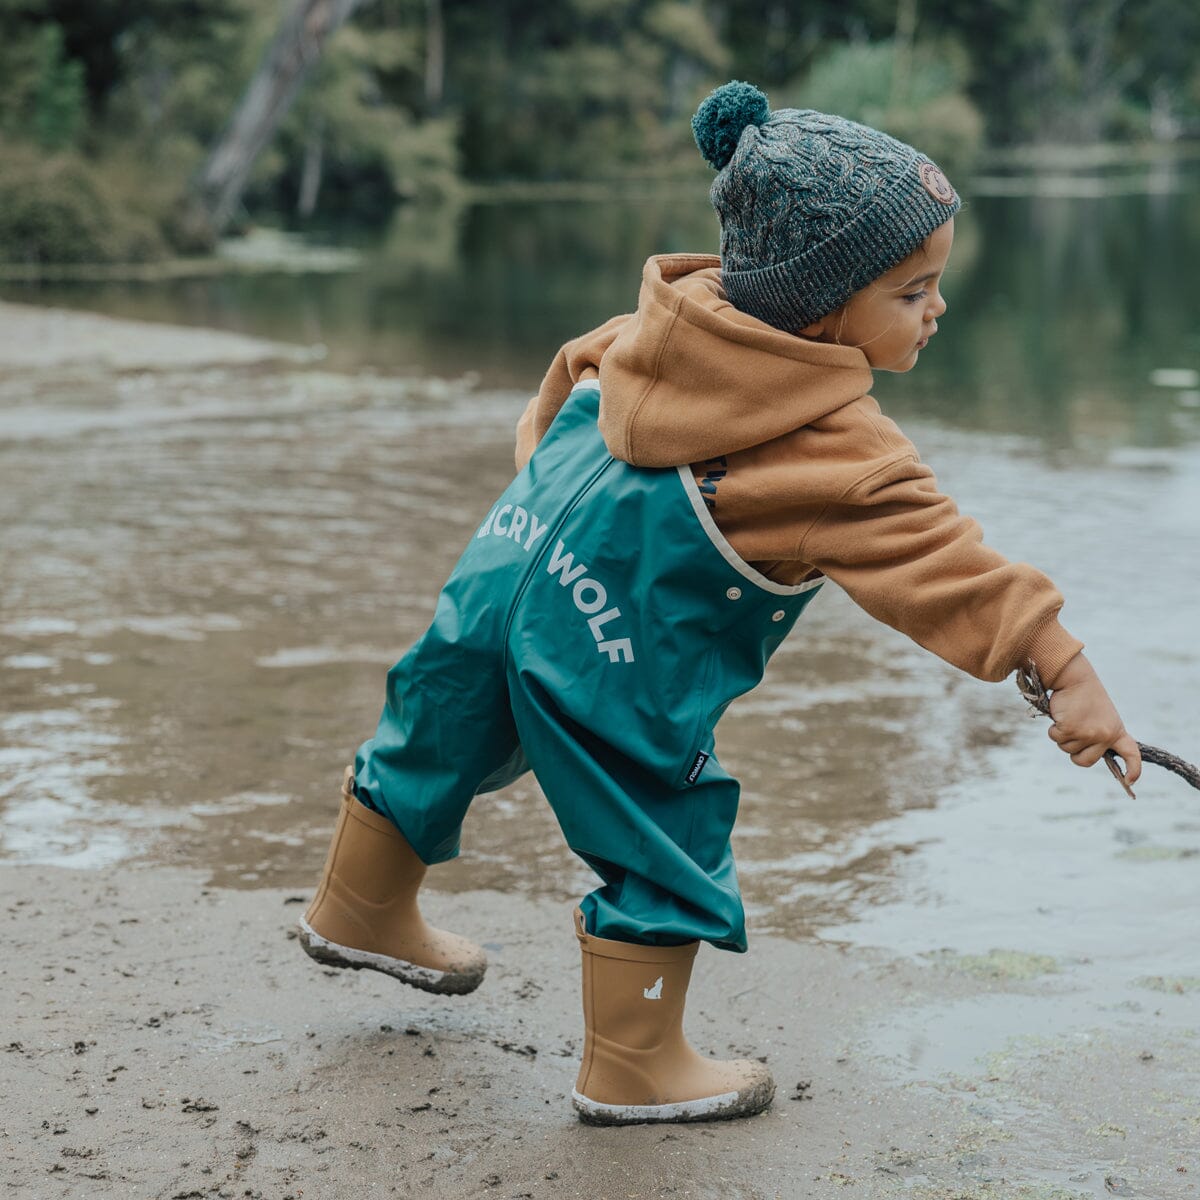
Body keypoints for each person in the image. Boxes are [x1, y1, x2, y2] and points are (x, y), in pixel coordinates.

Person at [298, 81, 1142, 1126]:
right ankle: (634, 1065)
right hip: (611, 658)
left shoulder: (646, 331)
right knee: (663, 814)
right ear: (823, 304)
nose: (939, 309)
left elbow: (552, 409)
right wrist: (1066, 670)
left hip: (499, 577)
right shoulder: (834, 448)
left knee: (434, 728)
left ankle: (359, 906)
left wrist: (545, 530)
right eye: (913, 290)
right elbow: (950, 568)